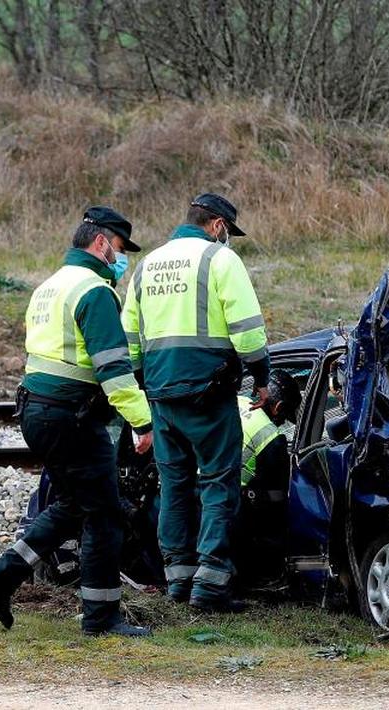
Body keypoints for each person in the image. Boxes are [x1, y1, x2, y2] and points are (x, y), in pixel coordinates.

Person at [0, 206, 154, 637]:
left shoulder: (49, 287)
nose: (121, 257)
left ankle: (3, 575)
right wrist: (142, 421)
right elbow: (113, 369)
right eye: (119, 248)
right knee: (105, 515)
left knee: (74, 504)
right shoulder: (93, 291)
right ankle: (101, 617)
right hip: (72, 417)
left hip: (37, 413)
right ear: (100, 244)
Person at [121, 192, 270, 611]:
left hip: (161, 398)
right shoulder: (220, 261)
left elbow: (130, 341)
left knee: (174, 487)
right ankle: (210, 585)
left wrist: (143, 391)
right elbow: (247, 331)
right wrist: (262, 378)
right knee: (220, 484)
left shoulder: (147, 264)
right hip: (210, 395)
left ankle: (177, 582)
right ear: (219, 226)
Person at [233, 370, 301, 584]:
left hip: (196, 488)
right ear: (278, 407)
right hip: (228, 506)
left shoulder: (237, 402)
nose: (281, 423)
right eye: (284, 417)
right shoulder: (271, 436)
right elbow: (278, 494)